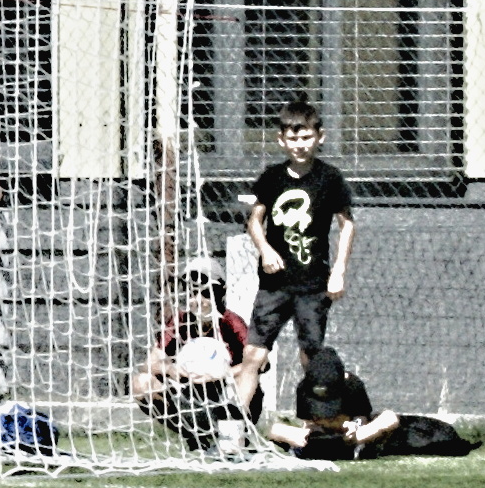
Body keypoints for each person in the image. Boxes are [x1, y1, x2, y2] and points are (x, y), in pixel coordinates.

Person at [235, 99, 355, 413]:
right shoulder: (272, 177)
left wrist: (339, 271)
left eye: (306, 137)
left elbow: (346, 225)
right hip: (274, 285)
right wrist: (265, 250)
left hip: (312, 284)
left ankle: (316, 425)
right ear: (281, 140)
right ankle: (234, 428)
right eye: (293, 138)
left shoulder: (329, 178)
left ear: (319, 137)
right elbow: (255, 221)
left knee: (310, 357)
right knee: (253, 354)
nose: (299, 145)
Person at [131, 257, 258, 452]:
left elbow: (260, 363)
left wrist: (221, 374)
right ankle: (193, 435)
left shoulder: (231, 323)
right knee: (141, 383)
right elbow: (150, 363)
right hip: (192, 397)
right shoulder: (180, 322)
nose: (198, 301)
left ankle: (234, 439)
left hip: (226, 396)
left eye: (206, 293)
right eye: (192, 293)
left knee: (245, 379)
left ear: (221, 292)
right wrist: (173, 370)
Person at [265, 346, 400, 458]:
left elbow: (362, 417)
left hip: (351, 435)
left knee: (389, 418)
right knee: (276, 429)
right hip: (320, 434)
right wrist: (309, 433)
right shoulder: (303, 388)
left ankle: (356, 448)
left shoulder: (353, 385)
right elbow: (307, 422)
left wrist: (355, 429)